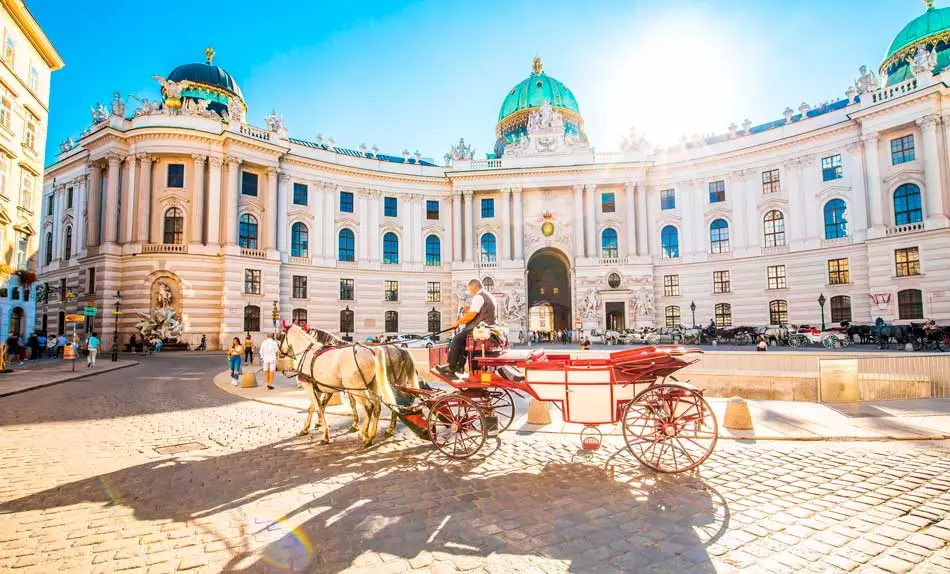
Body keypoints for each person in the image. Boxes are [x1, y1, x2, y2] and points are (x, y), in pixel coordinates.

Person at [435, 278, 497, 380]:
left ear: (475, 287)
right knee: (463, 342)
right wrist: (469, 309)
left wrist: (457, 323)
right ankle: (459, 367)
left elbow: (472, 315)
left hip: (480, 327)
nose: (470, 292)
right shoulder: (488, 295)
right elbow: (480, 311)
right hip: (488, 326)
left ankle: (451, 368)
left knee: (456, 340)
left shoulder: (479, 297)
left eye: (470, 289)